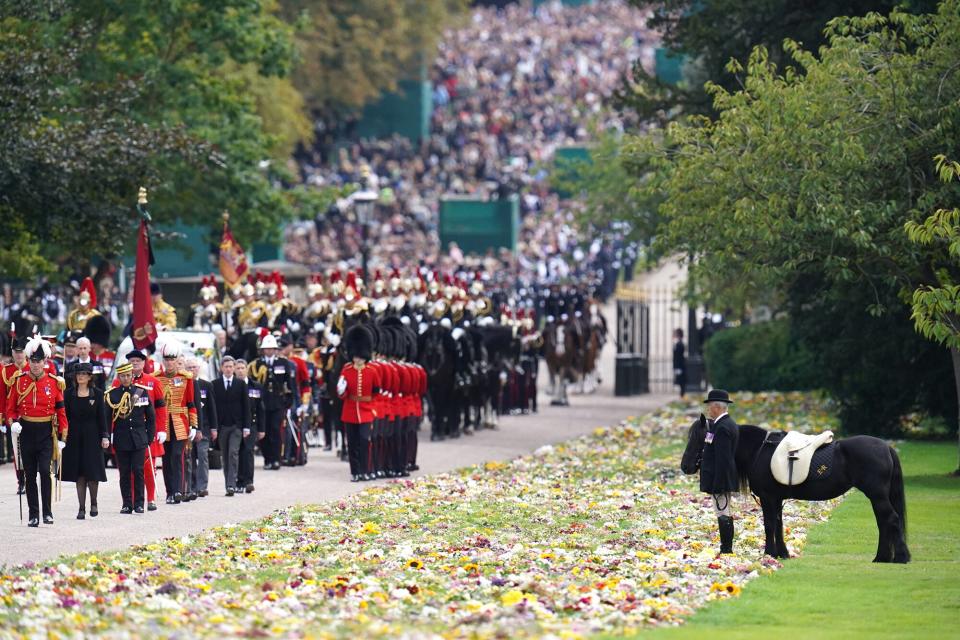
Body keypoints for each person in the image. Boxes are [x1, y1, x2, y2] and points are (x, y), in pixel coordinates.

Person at [4, 336, 69, 527]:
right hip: (26, 431)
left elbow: (61, 411)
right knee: (29, 474)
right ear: (29, 361)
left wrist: (63, 436)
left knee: (44, 471)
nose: (35, 365)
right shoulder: (19, 381)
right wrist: (13, 422)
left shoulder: (54, 382)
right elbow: (10, 408)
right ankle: (34, 514)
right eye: (32, 361)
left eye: (38, 361)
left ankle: (47, 512)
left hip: (45, 432)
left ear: (45, 362)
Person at [117, 350, 167, 511]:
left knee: (147, 467)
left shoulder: (152, 381)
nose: (135, 363)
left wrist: (160, 429)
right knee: (127, 470)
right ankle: (129, 501)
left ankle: (150, 499)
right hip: (125, 431)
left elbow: (160, 407)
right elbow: (113, 411)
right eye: (132, 360)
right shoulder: (118, 383)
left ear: (144, 363)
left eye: (138, 360)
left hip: (145, 431)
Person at [106, 362, 156, 514]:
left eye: (128, 375)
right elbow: (107, 419)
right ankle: (127, 503)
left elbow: (151, 416)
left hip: (139, 438)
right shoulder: (112, 395)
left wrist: (149, 436)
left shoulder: (141, 392)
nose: (126, 378)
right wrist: (108, 436)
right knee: (125, 473)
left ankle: (139, 503)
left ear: (132, 376)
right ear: (119, 377)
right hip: (122, 439)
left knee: (139, 470)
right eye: (123, 376)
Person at [61, 362, 109, 519]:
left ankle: (93, 503)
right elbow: (64, 416)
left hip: (92, 436)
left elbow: (102, 417)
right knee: (79, 472)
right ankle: (81, 508)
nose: (80, 376)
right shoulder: (68, 394)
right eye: (78, 374)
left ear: (89, 377)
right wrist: (62, 436)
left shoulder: (97, 393)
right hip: (74, 437)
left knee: (92, 471)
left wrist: (105, 435)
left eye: (84, 374)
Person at [247, 334, 297, 471]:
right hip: (262, 403)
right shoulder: (256, 364)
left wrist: (289, 400)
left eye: (271, 348)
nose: (269, 351)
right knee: (264, 431)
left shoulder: (283, 362)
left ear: (275, 349)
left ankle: (276, 459)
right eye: (266, 349)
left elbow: (289, 383)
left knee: (275, 430)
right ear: (263, 350)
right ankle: (267, 459)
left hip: (277, 402)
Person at [338, 326, 380, 482]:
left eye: (360, 356)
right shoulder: (346, 370)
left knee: (364, 441)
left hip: (366, 410)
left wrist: (373, 409)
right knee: (353, 444)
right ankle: (355, 472)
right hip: (349, 411)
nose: (358, 359)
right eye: (355, 356)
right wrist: (341, 390)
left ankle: (365, 470)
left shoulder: (372, 371)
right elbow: (342, 395)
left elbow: (376, 392)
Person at [700, 389, 740, 554]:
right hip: (721, 478)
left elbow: (723, 460)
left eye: (710, 406)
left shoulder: (722, 428)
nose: (709, 410)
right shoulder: (723, 424)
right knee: (725, 512)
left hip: (720, 479)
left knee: (723, 512)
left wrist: (718, 484)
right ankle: (726, 547)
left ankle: (726, 548)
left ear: (717, 407)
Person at [157, 342, 197, 504]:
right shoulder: (157, 378)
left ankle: (178, 490)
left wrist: (194, 425)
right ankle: (169, 492)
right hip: (164, 424)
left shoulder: (185, 378)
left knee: (177, 455)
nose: (169, 362)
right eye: (166, 359)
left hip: (181, 423)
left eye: (172, 359)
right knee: (166, 459)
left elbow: (191, 404)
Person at [212, 356, 248, 496]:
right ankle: (228, 483)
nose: (228, 369)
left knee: (233, 453)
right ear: (221, 368)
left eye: (230, 366)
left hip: (236, 425)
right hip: (222, 426)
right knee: (225, 455)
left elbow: (246, 406)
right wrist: (214, 426)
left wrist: (246, 426)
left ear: (234, 368)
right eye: (225, 366)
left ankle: (232, 484)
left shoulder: (240, 384)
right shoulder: (215, 384)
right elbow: (213, 407)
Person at [185, 356, 216, 499]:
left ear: (199, 369)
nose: (192, 370)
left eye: (194, 367)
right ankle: (191, 486)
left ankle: (202, 487)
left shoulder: (206, 385)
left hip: (204, 427)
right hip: (188, 428)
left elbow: (212, 409)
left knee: (203, 456)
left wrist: (214, 428)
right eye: (189, 367)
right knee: (189, 457)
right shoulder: (183, 384)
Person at [1, 337, 28, 492]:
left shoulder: (32, 368)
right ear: (12, 352)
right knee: (17, 452)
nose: (19, 355)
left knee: (29, 450)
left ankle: (30, 477)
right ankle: (21, 480)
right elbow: (2, 396)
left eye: (21, 351)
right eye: (16, 352)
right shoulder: (6, 370)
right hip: (12, 416)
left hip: (30, 414)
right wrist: (2, 418)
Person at [234, 358, 264, 492]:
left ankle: (248, 481)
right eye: (238, 368)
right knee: (238, 451)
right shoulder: (231, 386)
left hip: (252, 424)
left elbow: (261, 408)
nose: (240, 371)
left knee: (248, 451)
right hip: (236, 424)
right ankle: (239, 481)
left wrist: (262, 429)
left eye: (242, 368)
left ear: (247, 369)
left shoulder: (255, 386)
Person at [673, 328, 687, 399]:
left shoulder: (679, 344)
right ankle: (682, 395)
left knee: (682, 382)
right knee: (681, 383)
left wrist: (677, 367)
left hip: (680, 366)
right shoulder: (679, 343)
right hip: (680, 366)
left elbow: (678, 357)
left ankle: (682, 395)